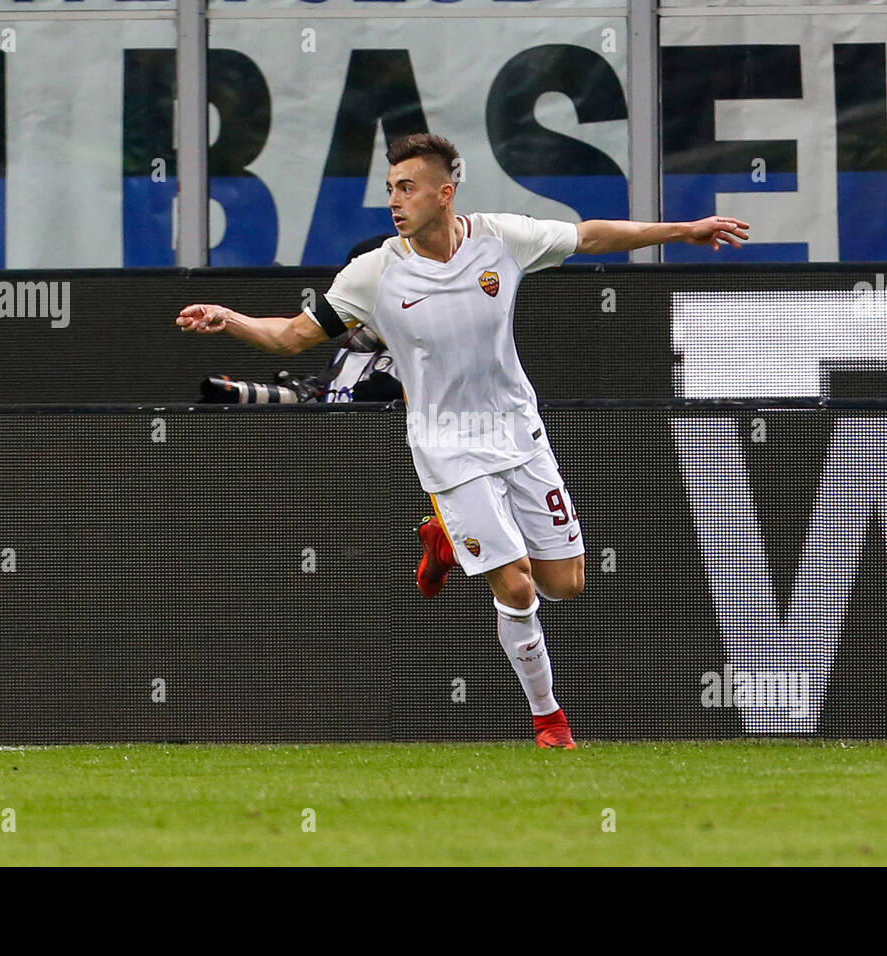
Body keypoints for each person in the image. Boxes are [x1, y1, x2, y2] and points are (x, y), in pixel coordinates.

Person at [177, 133, 749, 749]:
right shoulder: (373, 273)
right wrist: (228, 319)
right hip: (445, 447)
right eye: (390, 188)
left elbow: (591, 235)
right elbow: (292, 337)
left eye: (408, 187)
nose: (395, 201)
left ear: (445, 193)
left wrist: (684, 229)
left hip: (518, 432)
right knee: (518, 586)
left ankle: (445, 537)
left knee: (566, 583)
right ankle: (549, 720)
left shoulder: (500, 239)